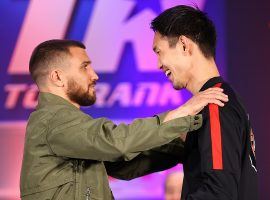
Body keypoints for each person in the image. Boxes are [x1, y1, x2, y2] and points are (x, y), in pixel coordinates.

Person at [20, 39, 228, 200]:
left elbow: (125, 164)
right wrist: (181, 114)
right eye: (85, 66)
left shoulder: (68, 128)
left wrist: (182, 143)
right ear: (57, 77)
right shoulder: (52, 121)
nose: (94, 75)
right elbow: (115, 142)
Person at [150, 5, 258, 200]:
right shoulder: (223, 99)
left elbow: (218, 193)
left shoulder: (216, 104)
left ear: (184, 44)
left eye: (159, 51)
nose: (158, 64)